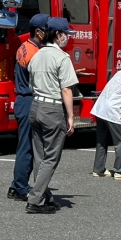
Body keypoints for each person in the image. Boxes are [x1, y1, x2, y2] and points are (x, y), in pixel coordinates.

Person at [25, 17, 79, 214]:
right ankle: (35, 199)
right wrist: (71, 117)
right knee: (51, 158)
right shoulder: (61, 58)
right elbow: (66, 89)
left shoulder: (36, 55)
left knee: (39, 157)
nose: (68, 38)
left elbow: (31, 84)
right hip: (53, 108)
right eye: (66, 35)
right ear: (58, 35)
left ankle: (44, 195)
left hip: (36, 105)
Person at [7, 13, 49, 202]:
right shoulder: (35, 53)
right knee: (28, 148)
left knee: (26, 146)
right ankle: (20, 187)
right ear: (39, 32)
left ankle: (18, 184)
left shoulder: (25, 47)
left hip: (22, 98)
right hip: (30, 99)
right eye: (49, 30)